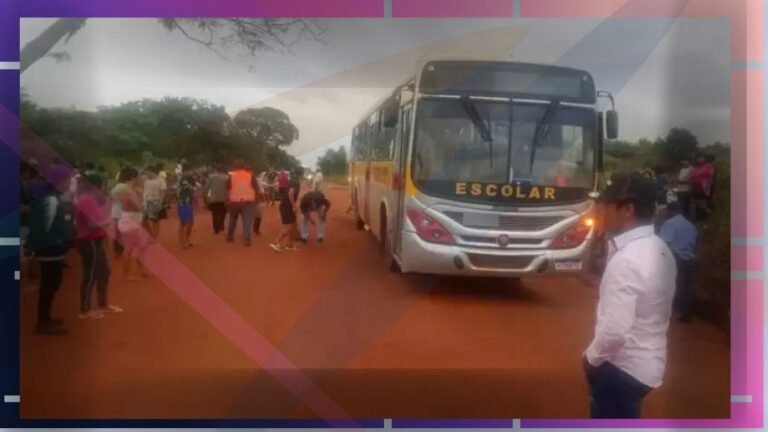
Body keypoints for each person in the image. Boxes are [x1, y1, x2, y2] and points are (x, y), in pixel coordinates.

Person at [583, 171, 676, 419]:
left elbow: (614, 331)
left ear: (628, 210)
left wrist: (591, 361)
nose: (601, 210)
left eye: (607, 205)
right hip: (648, 365)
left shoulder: (628, 260)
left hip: (621, 369)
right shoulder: (660, 249)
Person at [26, 165, 75, 334]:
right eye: (68, 179)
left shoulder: (53, 197)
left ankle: (45, 318)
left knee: (51, 284)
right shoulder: (51, 200)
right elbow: (44, 226)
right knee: (50, 285)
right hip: (50, 249)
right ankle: (43, 322)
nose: (70, 182)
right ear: (60, 181)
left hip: (53, 248)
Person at [75, 174, 122, 319]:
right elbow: (91, 224)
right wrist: (107, 221)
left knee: (104, 271)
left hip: (95, 240)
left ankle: (102, 304)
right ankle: (85, 309)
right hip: (89, 241)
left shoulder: (90, 199)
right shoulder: (86, 201)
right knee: (91, 274)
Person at [658, 201, 698, 323]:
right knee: (686, 287)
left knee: (668, 286)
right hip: (689, 260)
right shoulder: (691, 226)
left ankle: (664, 314)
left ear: (671, 211)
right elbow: (695, 243)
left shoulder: (669, 224)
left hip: (675, 259)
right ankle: (686, 314)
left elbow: (665, 243)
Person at [112, 166, 150, 281]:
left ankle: (139, 271)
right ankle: (128, 274)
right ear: (132, 177)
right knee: (130, 248)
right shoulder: (126, 189)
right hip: (130, 220)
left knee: (142, 246)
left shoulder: (124, 187)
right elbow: (138, 206)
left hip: (132, 219)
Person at [226, 160, 259, 246]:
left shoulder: (231, 176)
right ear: (244, 167)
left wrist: (226, 200)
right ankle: (246, 239)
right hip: (248, 201)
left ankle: (230, 236)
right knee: (247, 221)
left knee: (232, 220)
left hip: (234, 201)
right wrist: (256, 200)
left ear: (235, 167)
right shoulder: (250, 176)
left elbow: (227, 188)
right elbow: (256, 188)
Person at [271, 170, 301, 252]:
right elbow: (291, 193)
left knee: (294, 224)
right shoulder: (296, 182)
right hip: (288, 206)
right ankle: (276, 242)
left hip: (284, 204)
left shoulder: (290, 181)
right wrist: (294, 206)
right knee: (289, 226)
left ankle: (290, 244)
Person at [141, 165, 167, 243]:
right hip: (145, 201)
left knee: (155, 220)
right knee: (143, 220)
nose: (147, 174)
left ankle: (154, 238)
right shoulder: (144, 179)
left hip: (155, 201)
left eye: (148, 172)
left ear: (152, 172)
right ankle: (150, 235)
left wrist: (161, 203)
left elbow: (163, 192)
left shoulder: (160, 180)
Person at [204, 164, 229, 234]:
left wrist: (206, 197)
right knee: (223, 212)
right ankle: (221, 224)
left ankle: (216, 228)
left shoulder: (211, 177)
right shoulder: (227, 177)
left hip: (214, 198)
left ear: (216, 170)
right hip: (224, 198)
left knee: (215, 213)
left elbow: (206, 188)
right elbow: (229, 188)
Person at [176, 163, 196, 249]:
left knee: (190, 222)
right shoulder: (184, 179)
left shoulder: (188, 178)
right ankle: (183, 242)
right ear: (187, 170)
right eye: (191, 171)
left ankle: (186, 240)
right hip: (184, 202)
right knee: (184, 222)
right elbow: (189, 189)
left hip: (187, 202)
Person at [690, 153, 714, 223]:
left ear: (705, 158)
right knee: (697, 205)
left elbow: (711, 177)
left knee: (703, 205)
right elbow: (692, 178)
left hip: (704, 188)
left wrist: (709, 189)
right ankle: (699, 221)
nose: (700, 159)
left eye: (702, 158)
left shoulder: (709, 166)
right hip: (695, 188)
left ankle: (705, 221)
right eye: (698, 158)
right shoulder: (696, 168)